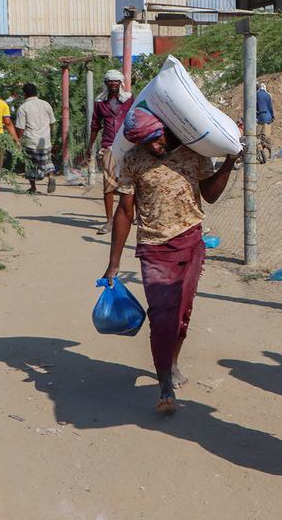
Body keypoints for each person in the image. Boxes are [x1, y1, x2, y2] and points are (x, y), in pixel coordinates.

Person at [102, 107, 240, 415]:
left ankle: (172, 361)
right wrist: (114, 263)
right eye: (145, 142)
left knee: (182, 314)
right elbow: (125, 212)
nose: (153, 147)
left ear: (166, 128)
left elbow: (211, 194)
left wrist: (229, 162)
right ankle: (164, 385)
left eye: (155, 139)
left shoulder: (193, 151)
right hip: (153, 247)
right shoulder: (133, 160)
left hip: (191, 242)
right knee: (162, 316)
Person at [87, 70, 135, 235]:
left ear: (120, 83)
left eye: (116, 81)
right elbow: (95, 125)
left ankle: (131, 215)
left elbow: (136, 120)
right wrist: (90, 146)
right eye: (110, 81)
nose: (113, 84)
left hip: (128, 145)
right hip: (108, 146)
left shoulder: (129, 100)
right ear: (106, 83)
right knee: (108, 184)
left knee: (131, 182)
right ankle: (109, 221)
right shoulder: (100, 102)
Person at [15, 83, 57, 194]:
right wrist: (50, 133)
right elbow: (52, 122)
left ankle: (33, 187)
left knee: (30, 164)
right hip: (45, 140)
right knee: (47, 161)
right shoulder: (46, 104)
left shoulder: (23, 108)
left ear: (24, 94)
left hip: (31, 140)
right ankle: (51, 176)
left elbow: (20, 128)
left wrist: (17, 139)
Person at [256, 82, 274, 157]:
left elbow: (255, 107)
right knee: (266, 136)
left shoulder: (256, 95)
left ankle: (260, 152)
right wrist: (272, 116)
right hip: (268, 117)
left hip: (260, 117)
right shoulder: (268, 95)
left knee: (257, 136)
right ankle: (270, 153)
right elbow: (270, 107)